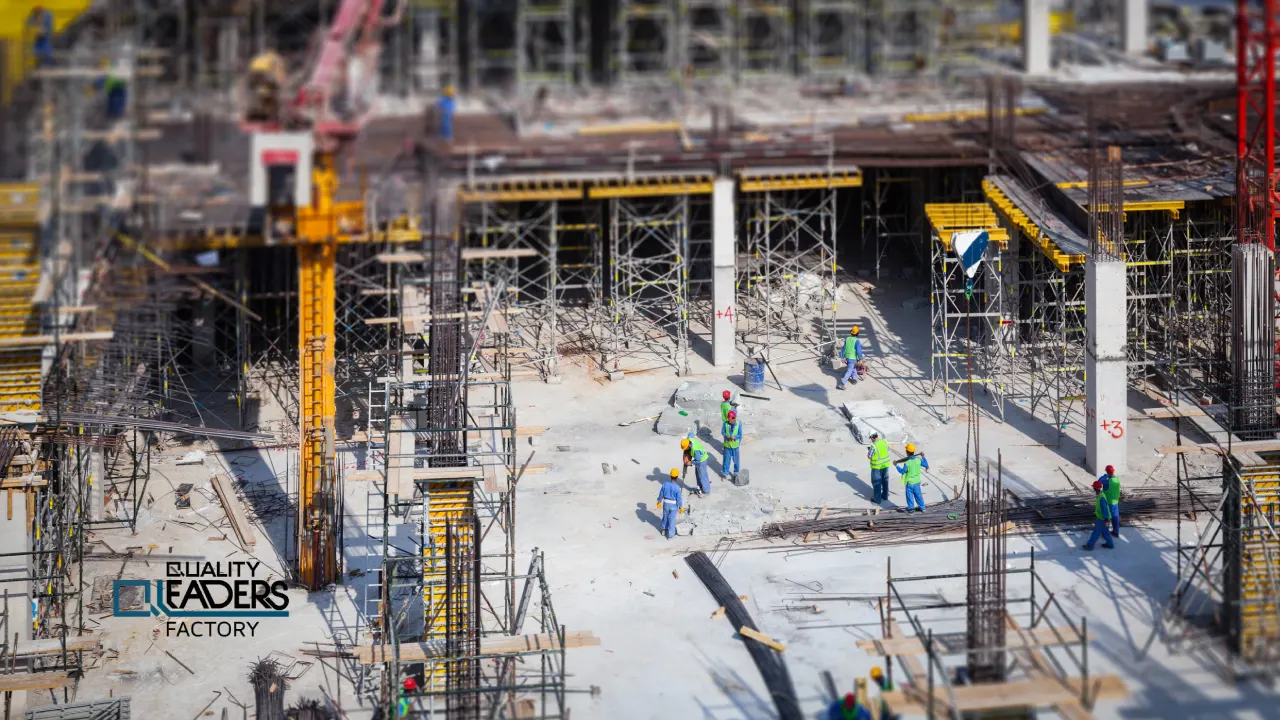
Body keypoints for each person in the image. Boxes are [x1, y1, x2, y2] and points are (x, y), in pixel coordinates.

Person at [894, 443, 929, 512]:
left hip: (909, 483)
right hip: (916, 483)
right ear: (913, 452)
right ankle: (923, 508)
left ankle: (910, 509)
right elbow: (926, 464)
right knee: (918, 496)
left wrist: (896, 466)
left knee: (909, 497)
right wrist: (923, 456)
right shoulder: (918, 460)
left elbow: (902, 471)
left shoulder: (907, 463)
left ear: (907, 453)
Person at [1082, 480, 1116, 551]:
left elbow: (1105, 508)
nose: (1093, 488)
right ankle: (1110, 544)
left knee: (1096, 532)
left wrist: (1106, 518)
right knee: (1105, 532)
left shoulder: (1101, 498)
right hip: (1105, 519)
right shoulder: (1100, 495)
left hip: (1102, 519)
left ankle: (1089, 546)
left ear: (1096, 488)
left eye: (1094, 487)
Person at [656, 468, 684, 539]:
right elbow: (679, 499)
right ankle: (670, 535)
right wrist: (680, 507)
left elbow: (661, 494)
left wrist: (659, 501)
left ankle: (663, 530)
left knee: (665, 517)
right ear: (677, 477)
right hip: (673, 505)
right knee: (671, 519)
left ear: (670, 476)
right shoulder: (677, 487)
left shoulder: (665, 484)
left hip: (666, 504)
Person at [866, 430, 891, 505]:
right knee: (885, 481)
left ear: (872, 438)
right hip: (885, 465)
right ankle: (885, 496)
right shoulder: (885, 442)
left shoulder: (873, 446)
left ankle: (877, 499)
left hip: (877, 467)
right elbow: (887, 450)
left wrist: (870, 451)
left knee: (877, 483)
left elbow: (869, 456)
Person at [1099, 464, 1120, 538]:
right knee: (1115, 518)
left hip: (1108, 503)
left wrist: (1105, 476)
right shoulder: (1117, 479)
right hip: (1116, 502)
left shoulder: (1107, 482)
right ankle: (1116, 532)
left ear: (1107, 472)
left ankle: (1105, 534)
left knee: (1106, 518)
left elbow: (1099, 481)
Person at [722, 410, 742, 478]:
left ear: (734, 418)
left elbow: (740, 434)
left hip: (735, 446)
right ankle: (725, 474)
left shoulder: (738, 424)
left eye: (730, 420)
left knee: (736, 461)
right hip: (727, 446)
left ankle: (736, 474)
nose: (729, 421)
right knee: (726, 461)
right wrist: (727, 436)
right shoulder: (725, 424)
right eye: (728, 419)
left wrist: (735, 437)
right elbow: (723, 432)